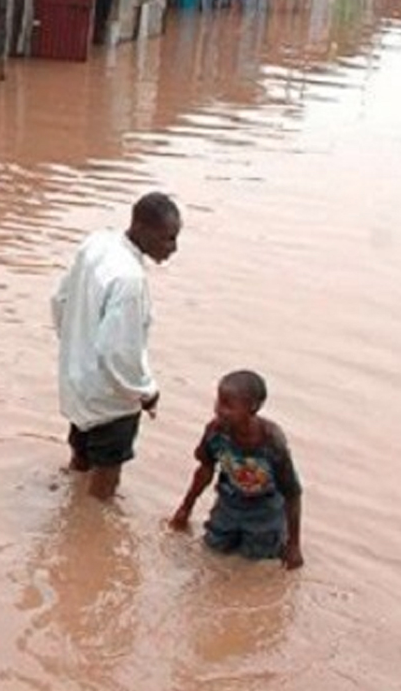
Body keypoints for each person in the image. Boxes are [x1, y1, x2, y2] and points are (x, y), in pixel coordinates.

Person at [52, 191, 181, 500]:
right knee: (105, 483)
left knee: (80, 456)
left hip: (77, 382)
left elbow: (60, 300)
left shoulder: (97, 243)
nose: (173, 248)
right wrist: (144, 392)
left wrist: (74, 349)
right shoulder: (130, 280)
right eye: (168, 239)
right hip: (110, 400)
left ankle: (71, 507)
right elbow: (117, 351)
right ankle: (88, 537)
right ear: (143, 229)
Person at [168, 370, 304, 569]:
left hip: (264, 511)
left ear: (253, 407)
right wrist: (185, 508)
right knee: (212, 551)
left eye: (228, 405)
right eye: (218, 402)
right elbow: (205, 470)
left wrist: (294, 545)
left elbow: (292, 494)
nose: (219, 410)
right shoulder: (215, 432)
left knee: (254, 563)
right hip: (229, 504)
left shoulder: (272, 442)